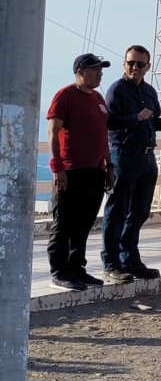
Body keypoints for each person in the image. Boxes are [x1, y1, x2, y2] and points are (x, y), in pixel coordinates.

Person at [102, 44, 161, 282]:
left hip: (147, 156)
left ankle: (130, 259)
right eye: (131, 62)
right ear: (124, 64)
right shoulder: (116, 91)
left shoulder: (150, 92)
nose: (135, 67)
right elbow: (109, 123)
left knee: (140, 211)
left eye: (140, 64)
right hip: (124, 154)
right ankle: (111, 263)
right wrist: (135, 118)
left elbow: (152, 123)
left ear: (147, 67)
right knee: (117, 210)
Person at [46, 53, 115, 291]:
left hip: (95, 171)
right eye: (94, 69)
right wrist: (57, 167)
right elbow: (53, 133)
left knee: (84, 223)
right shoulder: (65, 95)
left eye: (101, 70)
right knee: (64, 222)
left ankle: (78, 268)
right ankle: (59, 271)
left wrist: (108, 166)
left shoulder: (97, 99)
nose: (99, 74)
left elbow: (102, 135)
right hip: (71, 171)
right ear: (80, 72)